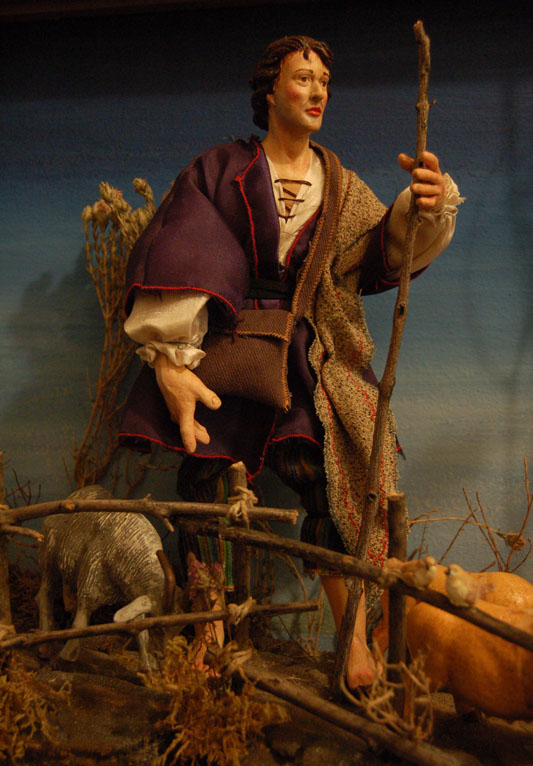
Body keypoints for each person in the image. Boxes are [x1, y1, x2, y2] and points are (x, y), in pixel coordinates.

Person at [120, 35, 462, 688]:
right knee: (205, 482)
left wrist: (420, 208)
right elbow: (183, 247)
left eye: (324, 81)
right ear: (270, 89)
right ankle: (210, 630)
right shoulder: (221, 169)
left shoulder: (339, 183)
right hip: (226, 347)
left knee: (326, 480)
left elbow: (374, 253)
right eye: (302, 77)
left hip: (305, 355)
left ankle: (353, 638)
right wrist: (171, 359)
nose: (316, 91)